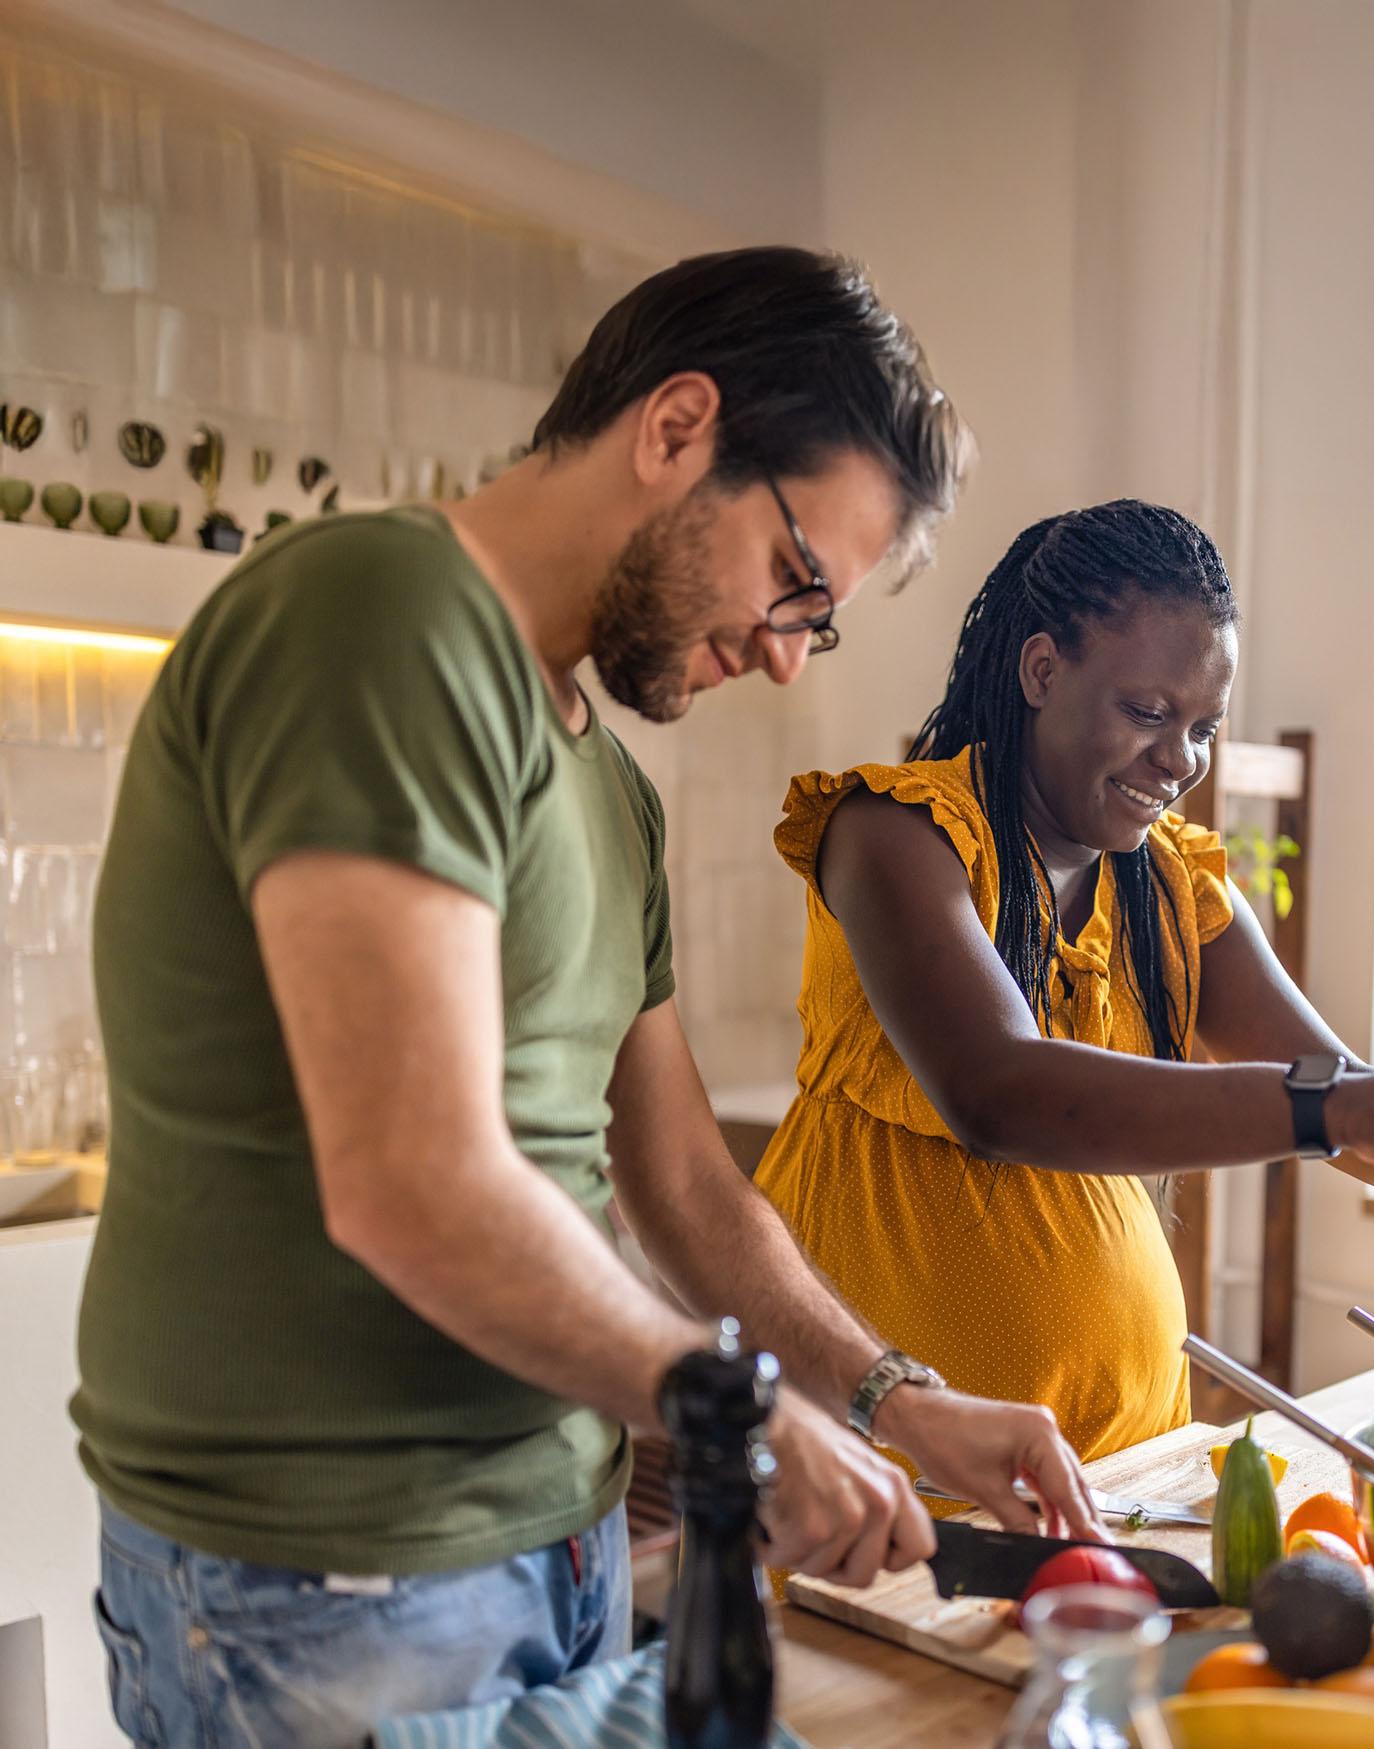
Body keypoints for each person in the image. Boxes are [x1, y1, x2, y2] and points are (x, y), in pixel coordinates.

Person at [72, 247, 1104, 1748]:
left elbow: (684, 1183)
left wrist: (895, 1398)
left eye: (821, 619)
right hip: (329, 1579)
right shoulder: (382, 615)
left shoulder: (605, 785)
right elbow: (411, 1181)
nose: (784, 652)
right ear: (679, 429)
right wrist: (735, 1412)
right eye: (797, 580)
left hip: (553, 1544)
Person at [756, 500, 1374, 1464]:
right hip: (875, 1466)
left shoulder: (1174, 889)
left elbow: (1366, 1131)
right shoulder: (897, 836)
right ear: (1040, 670)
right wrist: (1358, 1105)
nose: (1181, 759)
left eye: (1203, 726)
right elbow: (999, 1092)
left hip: (1120, 1470)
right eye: (1148, 713)